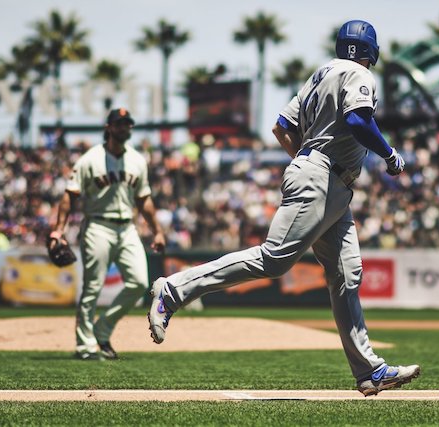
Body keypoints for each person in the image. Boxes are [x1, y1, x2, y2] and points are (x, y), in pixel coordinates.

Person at [148, 20, 420, 396]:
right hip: (324, 177)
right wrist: (389, 155)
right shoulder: (358, 73)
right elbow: (358, 119)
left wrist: (304, 161)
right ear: (371, 50)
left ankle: (369, 371)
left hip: (327, 180)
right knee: (274, 259)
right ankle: (174, 291)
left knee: (346, 274)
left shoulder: (321, 73)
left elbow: (280, 126)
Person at [50, 108, 165, 360]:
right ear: (109, 127)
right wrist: (59, 229)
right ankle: (84, 345)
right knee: (92, 288)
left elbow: (144, 199)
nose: (124, 128)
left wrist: (157, 231)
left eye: (128, 124)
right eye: (120, 124)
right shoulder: (90, 159)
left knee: (139, 284)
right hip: (97, 226)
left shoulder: (137, 160)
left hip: (127, 227)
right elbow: (70, 195)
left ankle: (102, 331)